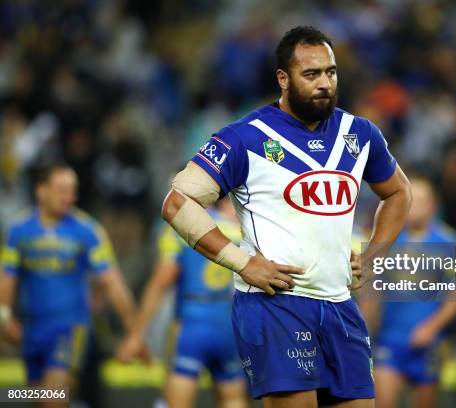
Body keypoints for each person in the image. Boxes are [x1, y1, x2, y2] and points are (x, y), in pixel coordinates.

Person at [161, 26, 411, 407]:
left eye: (330, 72)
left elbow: (398, 193)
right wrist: (242, 263)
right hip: (277, 304)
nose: (324, 83)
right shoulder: (246, 136)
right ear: (283, 78)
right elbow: (177, 204)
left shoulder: (359, 134)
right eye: (311, 75)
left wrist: (372, 254)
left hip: (341, 304)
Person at [0, 164, 140, 405]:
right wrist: (4, 318)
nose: (69, 197)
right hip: (31, 330)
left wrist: (134, 333)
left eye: (72, 190)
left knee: (53, 398)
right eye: (62, 190)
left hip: (69, 329)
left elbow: (112, 282)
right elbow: (7, 278)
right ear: (41, 191)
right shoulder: (19, 231)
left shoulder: (87, 230)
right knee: (40, 398)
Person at [117, 199, 248, 408]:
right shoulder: (236, 231)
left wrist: (136, 335)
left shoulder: (180, 230)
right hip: (227, 324)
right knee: (233, 399)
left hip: (191, 324)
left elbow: (161, 281)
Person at [362, 176, 456, 408]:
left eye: (420, 201)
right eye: (410, 199)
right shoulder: (387, 240)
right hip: (390, 339)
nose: (413, 206)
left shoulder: (449, 242)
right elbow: (372, 291)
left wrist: (432, 327)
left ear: (433, 206)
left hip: (428, 343)